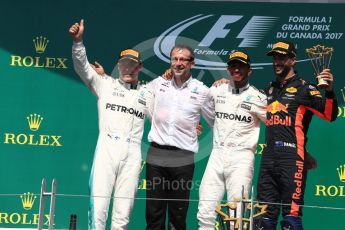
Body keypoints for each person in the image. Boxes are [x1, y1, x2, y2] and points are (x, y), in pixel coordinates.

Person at [69, 19, 151, 230]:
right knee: (99, 208)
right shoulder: (104, 84)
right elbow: (82, 68)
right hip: (107, 148)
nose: (128, 68)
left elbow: (166, 114)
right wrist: (78, 43)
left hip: (133, 152)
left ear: (139, 67)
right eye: (124, 63)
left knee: (123, 214)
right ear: (118, 65)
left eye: (132, 64)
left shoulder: (147, 93)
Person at [255, 41, 338, 230]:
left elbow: (330, 115)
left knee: (291, 220)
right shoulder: (269, 89)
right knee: (263, 219)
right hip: (268, 158)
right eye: (274, 58)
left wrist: (330, 91)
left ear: (292, 60)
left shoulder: (304, 88)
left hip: (291, 158)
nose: (277, 61)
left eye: (281, 58)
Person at [145, 44, 214, 230]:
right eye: (174, 59)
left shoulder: (202, 91)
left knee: (178, 214)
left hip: (183, 157)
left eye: (182, 59)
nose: (178, 63)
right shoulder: (158, 84)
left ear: (192, 63)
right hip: (156, 153)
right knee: (153, 213)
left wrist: (221, 85)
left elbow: (215, 121)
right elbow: (134, 90)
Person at [197, 51, 267, 229]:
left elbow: (277, 125)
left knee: (236, 216)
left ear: (249, 70)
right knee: (205, 211)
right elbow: (194, 104)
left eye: (241, 66)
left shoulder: (259, 98)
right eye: (233, 65)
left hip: (242, 157)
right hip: (217, 153)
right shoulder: (216, 90)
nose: (237, 69)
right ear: (228, 68)